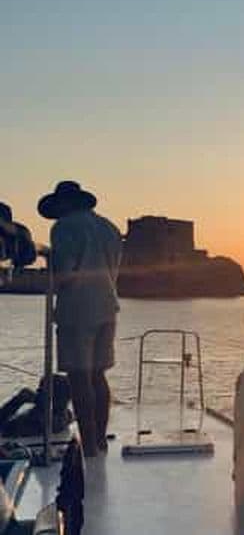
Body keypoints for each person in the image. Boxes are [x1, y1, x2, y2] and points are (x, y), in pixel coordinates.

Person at [38, 180, 123, 456]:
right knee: (98, 375)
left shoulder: (64, 227)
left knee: (78, 376)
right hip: (108, 305)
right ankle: (99, 439)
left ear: (66, 203)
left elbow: (66, 271)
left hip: (77, 308)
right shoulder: (109, 228)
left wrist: (50, 278)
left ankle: (87, 445)